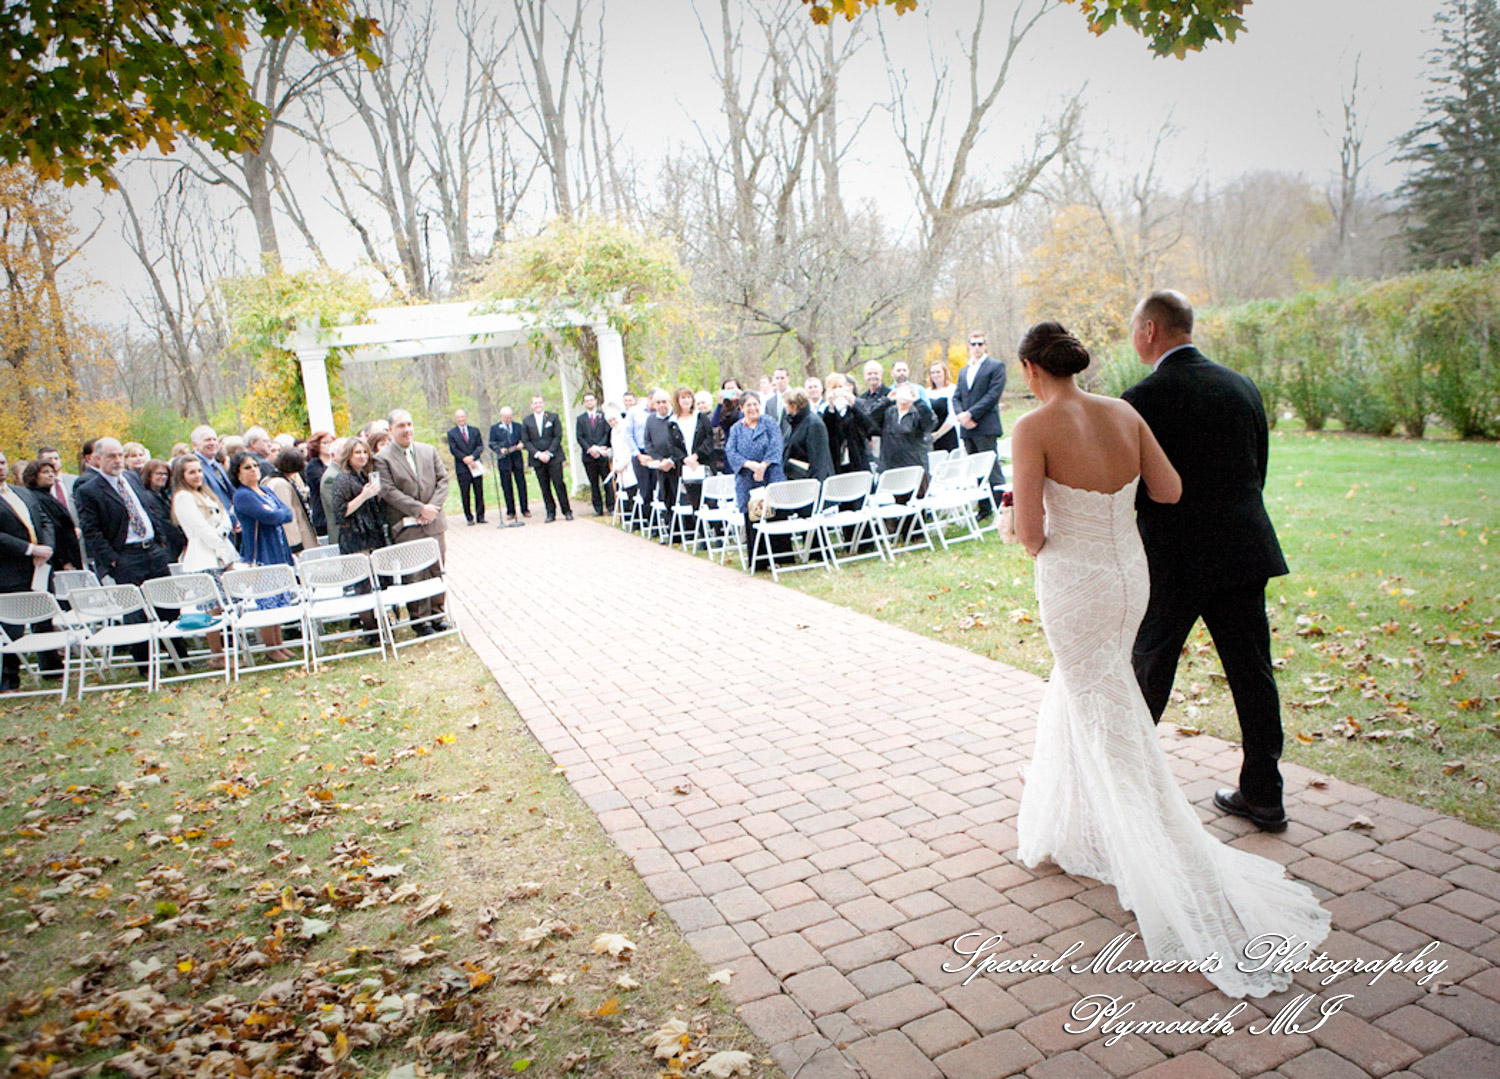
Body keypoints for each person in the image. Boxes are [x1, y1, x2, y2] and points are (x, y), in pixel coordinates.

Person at [1010, 319, 1328, 998]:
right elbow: (1171, 490)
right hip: (1130, 574)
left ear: (1033, 369)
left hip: (1075, 581)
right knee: (1099, 690)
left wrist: (1020, 521)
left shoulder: (1033, 428)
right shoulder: (1123, 411)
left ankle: (1146, 843)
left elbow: (1032, 536)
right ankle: (1081, 823)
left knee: (1099, 698)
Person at [1122, 290, 1294, 831]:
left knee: (1148, 670)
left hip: (1173, 560)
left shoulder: (1141, 399)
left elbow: (1134, 488)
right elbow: (1256, 470)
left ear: (1150, 330)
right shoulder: (1242, 386)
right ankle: (1265, 794)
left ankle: (1125, 794)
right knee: (1253, 675)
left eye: (1134, 328)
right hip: (1244, 553)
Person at [75, 438, 172, 673]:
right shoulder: (88, 490)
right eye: (111, 456)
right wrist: (113, 559)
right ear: (97, 459)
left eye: (120, 455)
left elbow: (146, 509)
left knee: (167, 603)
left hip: (152, 550)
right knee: (135, 613)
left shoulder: (131, 479)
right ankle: (145, 666)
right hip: (126, 556)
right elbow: (92, 530)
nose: (117, 460)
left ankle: (177, 656)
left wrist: (159, 541)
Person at [374, 410, 450, 633]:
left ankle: (438, 614)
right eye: (400, 426)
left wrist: (432, 509)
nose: (407, 429)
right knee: (415, 573)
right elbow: (388, 491)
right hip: (407, 524)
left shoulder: (429, 450)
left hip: (433, 523)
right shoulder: (382, 459)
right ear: (390, 430)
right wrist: (419, 509)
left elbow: (443, 480)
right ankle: (420, 620)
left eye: (409, 424)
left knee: (436, 569)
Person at [170, 455, 242, 666]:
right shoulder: (183, 497)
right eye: (191, 472)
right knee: (212, 608)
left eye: (199, 471)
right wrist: (219, 536)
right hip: (204, 557)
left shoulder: (205, 494)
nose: (197, 475)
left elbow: (226, 517)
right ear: (182, 476)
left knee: (226, 604)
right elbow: (202, 530)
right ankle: (216, 654)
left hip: (221, 552)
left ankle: (228, 650)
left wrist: (222, 532)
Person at [0, 449, 60, 692]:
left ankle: (52, 668)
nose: (1, 467)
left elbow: (45, 521)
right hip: (10, 569)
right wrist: (29, 550)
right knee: (12, 626)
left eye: (2, 462)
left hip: (40, 566)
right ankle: (8, 678)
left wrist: (46, 548)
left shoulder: (23, 492)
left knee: (45, 617)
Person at [229, 450, 296, 663]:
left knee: (279, 600)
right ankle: (270, 647)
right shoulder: (242, 495)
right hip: (262, 552)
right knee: (267, 602)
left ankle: (279, 643)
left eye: (255, 466)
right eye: (247, 467)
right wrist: (274, 514)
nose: (254, 470)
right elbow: (267, 516)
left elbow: (287, 513)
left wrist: (275, 513)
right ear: (238, 473)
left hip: (279, 548)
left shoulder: (265, 490)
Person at [327, 437, 387, 644]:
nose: (362, 456)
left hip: (371, 533)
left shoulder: (363, 475)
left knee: (376, 582)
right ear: (348, 456)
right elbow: (340, 511)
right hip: (354, 537)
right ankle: (370, 630)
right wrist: (363, 496)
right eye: (357, 453)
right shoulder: (342, 478)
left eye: (364, 452)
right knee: (362, 585)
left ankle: (379, 625)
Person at [951, 329, 1008, 514]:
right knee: (976, 470)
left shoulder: (995, 366)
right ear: (968, 346)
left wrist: (971, 414)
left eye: (980, 344)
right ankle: (984, 508)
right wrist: (961, 415)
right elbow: (956, 396)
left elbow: (993, 395)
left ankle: (1003, 506)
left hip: (985, 424)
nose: (976, 348)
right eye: (973, 344)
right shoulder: (964, 371)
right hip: (967, 427)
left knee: (991, 467)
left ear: (986, 346)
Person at [21, 460, 81, 572]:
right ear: (34, 476)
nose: (51, 474)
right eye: (45, 472)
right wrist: (65, 560)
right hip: (59, 559)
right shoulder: (38, 498)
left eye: (52, 471)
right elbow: (54, 530)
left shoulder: (46, 496)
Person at [521, 395, 572, 523]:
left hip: (553, 457)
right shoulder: (527, 421)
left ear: (543, 404)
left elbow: (557, 436)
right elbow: (526, 441)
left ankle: (567, 511)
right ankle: (550, 512)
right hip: (538, 459)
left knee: (559, 484)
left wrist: (549, 453)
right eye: (535, 403)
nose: (538, 405)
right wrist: (538, 454)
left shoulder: (553, 417)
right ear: (531, 405)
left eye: (539, 402)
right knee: (544, 487)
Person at [641, 389, 685, 525]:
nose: (661, 405)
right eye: (658, 402)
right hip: (661, 466)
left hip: (678, 464)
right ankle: (673, 530)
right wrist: (660, 460)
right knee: (667, 497)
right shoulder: (650, 420)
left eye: (664, 402)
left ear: (670, 402)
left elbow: (682, 442)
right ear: (653, 404)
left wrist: (672, 460)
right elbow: (647, 443)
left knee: (682, 497)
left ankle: (687, 530)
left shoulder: (678, 417)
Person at [265, 449, 318, 555]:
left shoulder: (280, 480)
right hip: (298, 539)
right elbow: (289, 516)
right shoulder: (280, 484)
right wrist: (296, 546)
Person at [487, 406, 530, 527]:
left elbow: (525, 440)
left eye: (510, 417)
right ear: (501, 417)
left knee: (521, 484)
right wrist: (500, 449)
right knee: (506, 485)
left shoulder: (518, 426)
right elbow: (491, 443)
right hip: (504, 460)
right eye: (506, 417)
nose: (508, 419)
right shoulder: (495, 428)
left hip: (516, 459)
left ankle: (525, 508)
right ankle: (510, 510)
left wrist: (522, 445)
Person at [781, 388, 833, 482]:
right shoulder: (794, 422)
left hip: (809, 482)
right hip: (796, 479)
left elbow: (819, 460)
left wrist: (816, 487)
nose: (784, 407)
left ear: (794, 406)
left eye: (786, 404)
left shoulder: (814, 424)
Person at [823, 373, 872, 474]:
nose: (837, 390)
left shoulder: (857, 404)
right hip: (837, 458)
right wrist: (831, 406)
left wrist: (853, 406)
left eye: (840, 387)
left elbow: (868, 425)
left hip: (857, 456)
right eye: (834, 387)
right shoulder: (825, 409)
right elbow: (829, 431)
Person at [191, 425, 237, 530]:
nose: (212, 443)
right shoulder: (196, 467)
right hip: (217, 526)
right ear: (195, 444)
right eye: (207, 440)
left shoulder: (217, 465)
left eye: (214, 439)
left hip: (232, 523)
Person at [446, 409, 487, 525]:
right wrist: (465, 459)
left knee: (479, 491)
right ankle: (469, 517)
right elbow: (453, 450)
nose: (461, 419)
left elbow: (480, 446)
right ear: (456, 419)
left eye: (462, 417)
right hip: (462, 467)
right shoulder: (451, 433)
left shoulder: (475, 431)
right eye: (458, 417)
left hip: (475, 465)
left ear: (466, 417)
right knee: (465, 493)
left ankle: (481, 516)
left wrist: (473, 457)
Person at [138, 458, 184, 562]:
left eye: (165, 474)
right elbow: (163, 523)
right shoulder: (147, 497)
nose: (163, 477)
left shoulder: (165, 495)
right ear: (149, 475)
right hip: (164, 546)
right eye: (158, 474)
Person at [575, 392, 614, 516]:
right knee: (594, 483)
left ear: (596, 401)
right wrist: (590, 449)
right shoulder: (580, 419)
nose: (589, 402)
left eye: (591, 400)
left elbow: (607, 433)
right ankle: (598, 508)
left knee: (607, 481)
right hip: (588, 457)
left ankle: (611, 506)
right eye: (587, 400)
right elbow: (579, 437)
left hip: (602, 454)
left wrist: (598, 449)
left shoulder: (603, 417)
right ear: (584, 403)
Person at [304, 431, 335, 537]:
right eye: (325, 443)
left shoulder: (337, 462)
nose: (329, 445)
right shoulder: (313, 466)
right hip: (323, 515)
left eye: (331, 442)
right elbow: (322, 484)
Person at [710, 379, 742, 471]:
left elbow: (743, 420)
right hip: (729, 445)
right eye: (728, 389)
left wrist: (742, 398)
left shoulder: (745, 404)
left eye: (733, 388)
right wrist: (719, 403)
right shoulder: (724, 408)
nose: (731, 391)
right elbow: (714, 423)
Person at [927, 361, 959, 453]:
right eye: (932, 372)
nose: (935, 375)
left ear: (945, 373)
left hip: (948, 435)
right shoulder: (927, 392)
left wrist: (938, 434)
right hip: (931, 437)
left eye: (938, 372)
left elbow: (953, 416)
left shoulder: (952, 390)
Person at [319, 439, 345, 548]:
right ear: (333, 455)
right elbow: (338, 508)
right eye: (344, 452)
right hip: (342, 535)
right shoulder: (331, 477)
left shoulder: (345, 472)